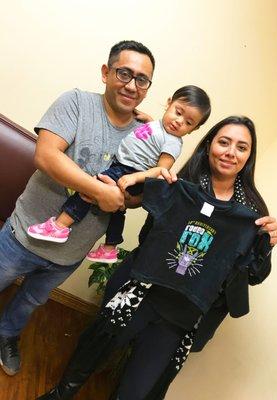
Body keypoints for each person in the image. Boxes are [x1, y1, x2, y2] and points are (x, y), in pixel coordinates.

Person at [37, 116, 277, 400]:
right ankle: (58, 395)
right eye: (223, 142)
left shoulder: (251, 211)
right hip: (139, 291)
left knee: (137, 391)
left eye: (241, 147)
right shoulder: (181, 183)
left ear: (249, 156)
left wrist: (268, 244)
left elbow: (253, 274)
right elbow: (147, 236)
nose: (230, 152)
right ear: (209, 145)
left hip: (182, 314)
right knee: (91, 351)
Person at [0, 40, 160, 377]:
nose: (131, 85)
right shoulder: (76, 102)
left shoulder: (147, 137)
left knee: (31, 302)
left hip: (70, 253)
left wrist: (126, 197)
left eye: (142, 79)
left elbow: (135, 197)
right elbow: (46, 156)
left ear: (147, 88)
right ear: (106, 73)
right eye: (124, 73)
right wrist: (101, 193)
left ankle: (7, 334)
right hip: (24, 234)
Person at [26, 85, 211, 264]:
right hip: (126, 168)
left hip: (129, 171)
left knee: (91, 188)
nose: (179, 121)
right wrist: (149, 119)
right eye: (178, 112)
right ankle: (110, 247)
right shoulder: (158, 126)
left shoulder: (173, 142)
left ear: (193, 129)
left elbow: (161, 169)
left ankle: (59, 226)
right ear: (169, 104)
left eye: (188, 122)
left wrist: (135, 177)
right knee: (117, 211)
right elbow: (154, 137)